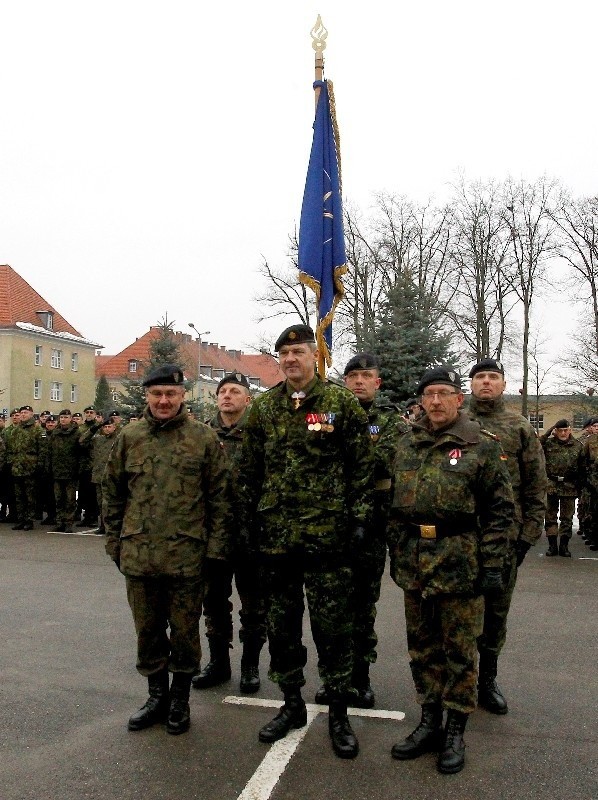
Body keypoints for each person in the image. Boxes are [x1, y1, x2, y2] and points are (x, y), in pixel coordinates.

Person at [239, 324, 374, 760]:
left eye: (298, 351)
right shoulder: (264, 409)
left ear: (314, 355)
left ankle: (338, 712)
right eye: (284, 353)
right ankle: (292, 704)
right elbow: (249, 472)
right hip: (277, 540)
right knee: (282, 628)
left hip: (328, 541)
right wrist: (249, 526)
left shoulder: (340, 403)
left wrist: (357, 524)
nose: (291, 359)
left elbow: (362, 470)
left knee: (333, 630)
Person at [388, 366, 514, 774]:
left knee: (460, 650)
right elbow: (392, 507)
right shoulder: (407, 444)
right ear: (422, 401)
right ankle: (429, 722)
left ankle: (456, 729)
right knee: (422, 648)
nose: (436, 401)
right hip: (415, 562)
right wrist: (396, 549)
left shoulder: (481, 444)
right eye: (430, 395)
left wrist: (493, 564)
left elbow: (500, 512)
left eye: (444, 393)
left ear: (458, 399)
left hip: (462, 562)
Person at [102, 364, 231, 736]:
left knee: (185, 632)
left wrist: (215, 551)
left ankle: (180, 699)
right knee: (148, 630)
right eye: (157, 394)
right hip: (139, 556)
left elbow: (221, 498)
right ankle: (155, 696)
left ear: (182, 396)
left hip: (188, 559)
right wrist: (116, 544)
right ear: (147, 396)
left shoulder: (203, 439)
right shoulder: (130, 437)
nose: (163, 401)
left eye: (170, 394)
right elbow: (111, 494)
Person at [314, 352, 408, 709]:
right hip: (330, 523)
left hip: (370, 527)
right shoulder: (327, 417)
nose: (357, 381)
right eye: (352, 375)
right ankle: (332, 678)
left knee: (363, 608)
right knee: (328, 607)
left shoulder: (391, 424)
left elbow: (385, 462)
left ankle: (360, 677)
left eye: (365, 376)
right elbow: (314, 456)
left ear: (377, 382)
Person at [467, 358, 547, 715]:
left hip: (504, 540)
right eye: (480, 377)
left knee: (495, 615)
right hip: (459, 539)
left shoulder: (518, 426)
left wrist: (528, 536)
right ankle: (460, 683)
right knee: (455, 615)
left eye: (492, 377)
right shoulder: (455, 420)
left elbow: (535, 484)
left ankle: (487, 681)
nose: (486, 383)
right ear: (470, 384)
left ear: (502, 383)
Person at [192, 372, 266, 694]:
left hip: (252, 534)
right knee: (214, 604)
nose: (227, 396)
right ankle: (218, 663)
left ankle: (250, 666)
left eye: (235, 391)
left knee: (254, 606)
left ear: (247, 399)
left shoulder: (260, 433)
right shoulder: (204, 435)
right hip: (214, 536)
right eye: (222, 391)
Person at [540, 419, 583, 557]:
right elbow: (535, 445)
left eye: (566, 430)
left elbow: (583, 466)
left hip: (569, 486)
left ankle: (564, 546)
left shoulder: (577, 446)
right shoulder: (548, 443)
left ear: (570, 430)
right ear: (555, 431)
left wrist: (580, 485)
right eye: (560, 430)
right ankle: (552, 545)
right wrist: (548, 432)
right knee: (550, 516)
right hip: (551, 484)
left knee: (567, 518)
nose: (563, 433)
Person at [7, 405, 42, 530]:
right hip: (17, 467)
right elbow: (11, 448)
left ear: (31, 414)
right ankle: (20, 519)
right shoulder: (15, 430)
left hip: (30, 467)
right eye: (21, 413)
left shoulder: (37, 430)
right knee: (19, 496)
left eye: (26, 413)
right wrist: (11, 463)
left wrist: (39, 466)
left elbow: (42, 450)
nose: (23, 415)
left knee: (30, 496)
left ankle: (29, 520)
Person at [47, 409, 81, 533]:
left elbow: (80, 453)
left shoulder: (77, 433)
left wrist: (78, 469)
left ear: (70, 418)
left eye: (66, 417)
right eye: (61, 417)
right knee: (59, 499)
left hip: (71, 471)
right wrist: (49, 468)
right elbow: (49, 452)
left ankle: (68, 523)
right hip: (57, 471)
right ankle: (60, 522)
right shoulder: (55, 433)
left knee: (70, 499)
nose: (63, 419)